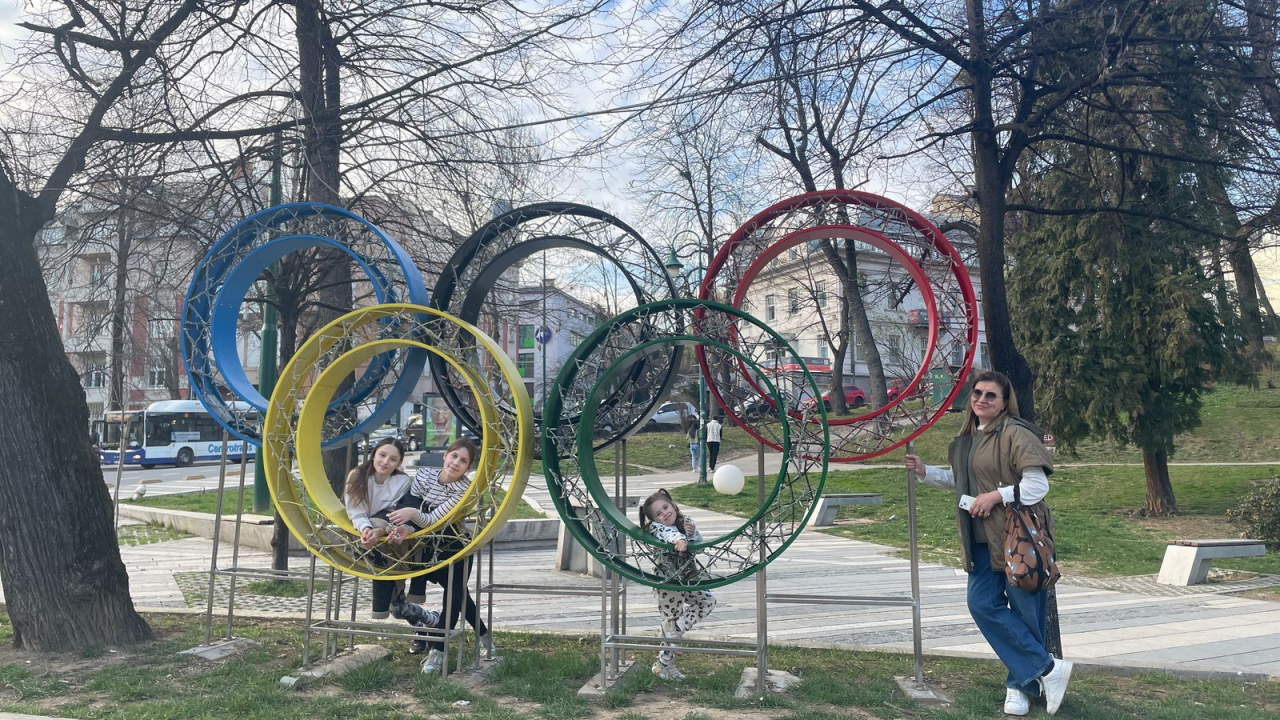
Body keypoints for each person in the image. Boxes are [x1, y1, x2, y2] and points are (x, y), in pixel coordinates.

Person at [903, 370, 1072, 716]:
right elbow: (962, 482)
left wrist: (996, 496)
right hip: (980, 540)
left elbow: (1037, 486)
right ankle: (1047, 668)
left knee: (1027, 615)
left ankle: (1020, 689)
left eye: (991, 395)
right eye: (977, 393)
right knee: (982, 604)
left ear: (1005, 402)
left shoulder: (1015, 433)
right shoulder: (967, 439)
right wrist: (925, 472)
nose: (982, 399)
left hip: (1018, 540)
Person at [384, 437, 495, 673]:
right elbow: (412, 503)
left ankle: (438, 651)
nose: (456, 463)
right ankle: (485, 636)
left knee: (453, 596)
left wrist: (413, 514)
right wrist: (408, 524)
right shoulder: (424, 474)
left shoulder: (465, 490)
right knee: (461, 597)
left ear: (468, 468)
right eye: (454, 456)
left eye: (463, 461)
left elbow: (433, 520)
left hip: (455, 546)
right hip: (427, 547)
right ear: (445, 455)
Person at [638, 489, 716, 680]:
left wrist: (691, 534)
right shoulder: (657, 528)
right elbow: (666, 533)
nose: (665, 514)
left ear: (673, 505)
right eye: (658, 513)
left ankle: (678, 630)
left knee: (707, 600)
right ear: (654, 519)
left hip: (685, 579)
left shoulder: (684, 522)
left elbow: (698, 543)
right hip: (666, 583)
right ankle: (664, 665)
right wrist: (679, 539)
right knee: (670, 619)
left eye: (666, 507)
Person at [342, 438, 412, 621]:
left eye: (393, 459)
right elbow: (356, 513)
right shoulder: (357, 476)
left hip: (388, 531)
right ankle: (396, 601)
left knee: (393, 543)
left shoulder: (402, 481)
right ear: (374, 455)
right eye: (382, 455)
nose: (385, 462)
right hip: (361, 532)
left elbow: (395, 513)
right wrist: (367, 529)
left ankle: (391, 603)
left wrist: (380, 530)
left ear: (399, 463)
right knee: (380, 547)